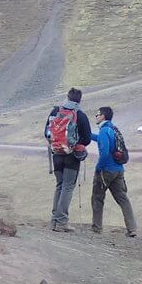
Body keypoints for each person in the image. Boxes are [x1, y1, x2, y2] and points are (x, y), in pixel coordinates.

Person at [44, 88, 92, 232]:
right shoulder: (80, 115)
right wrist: (76, 145)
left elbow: (46, 133)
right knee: (68, 187)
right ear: (79, 99)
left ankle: (53, 221)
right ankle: (62, 221)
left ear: (67, 97)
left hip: (56, 154)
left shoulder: (55, 112)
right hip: (72, 156)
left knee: (59, 186)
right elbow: (87, 139)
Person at [90, 106, 137, 237]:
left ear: (103, 116)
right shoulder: (113, 129)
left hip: (106, 170)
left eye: (97, 114)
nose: (96, 116)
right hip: (119, 170)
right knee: (123, 199)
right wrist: (89, 135)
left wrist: (98, 167)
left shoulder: (105, 130)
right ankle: (132, 228)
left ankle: (96, 228)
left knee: (97, 198)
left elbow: (104, 153)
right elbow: (102, 139)